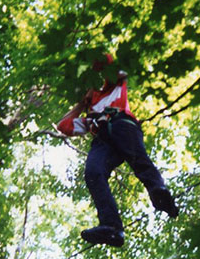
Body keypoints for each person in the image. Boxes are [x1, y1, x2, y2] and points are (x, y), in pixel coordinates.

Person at [56, 54, 179, 247]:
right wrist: (82, 103)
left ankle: (158, 191)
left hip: (122, 123)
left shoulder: (115, 85)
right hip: (103, 141)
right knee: (93, 173)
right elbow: (63, 126)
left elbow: (109, 63)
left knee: (137, 157)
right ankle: (112, 227)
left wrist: (95, 75)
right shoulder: (90, 116)